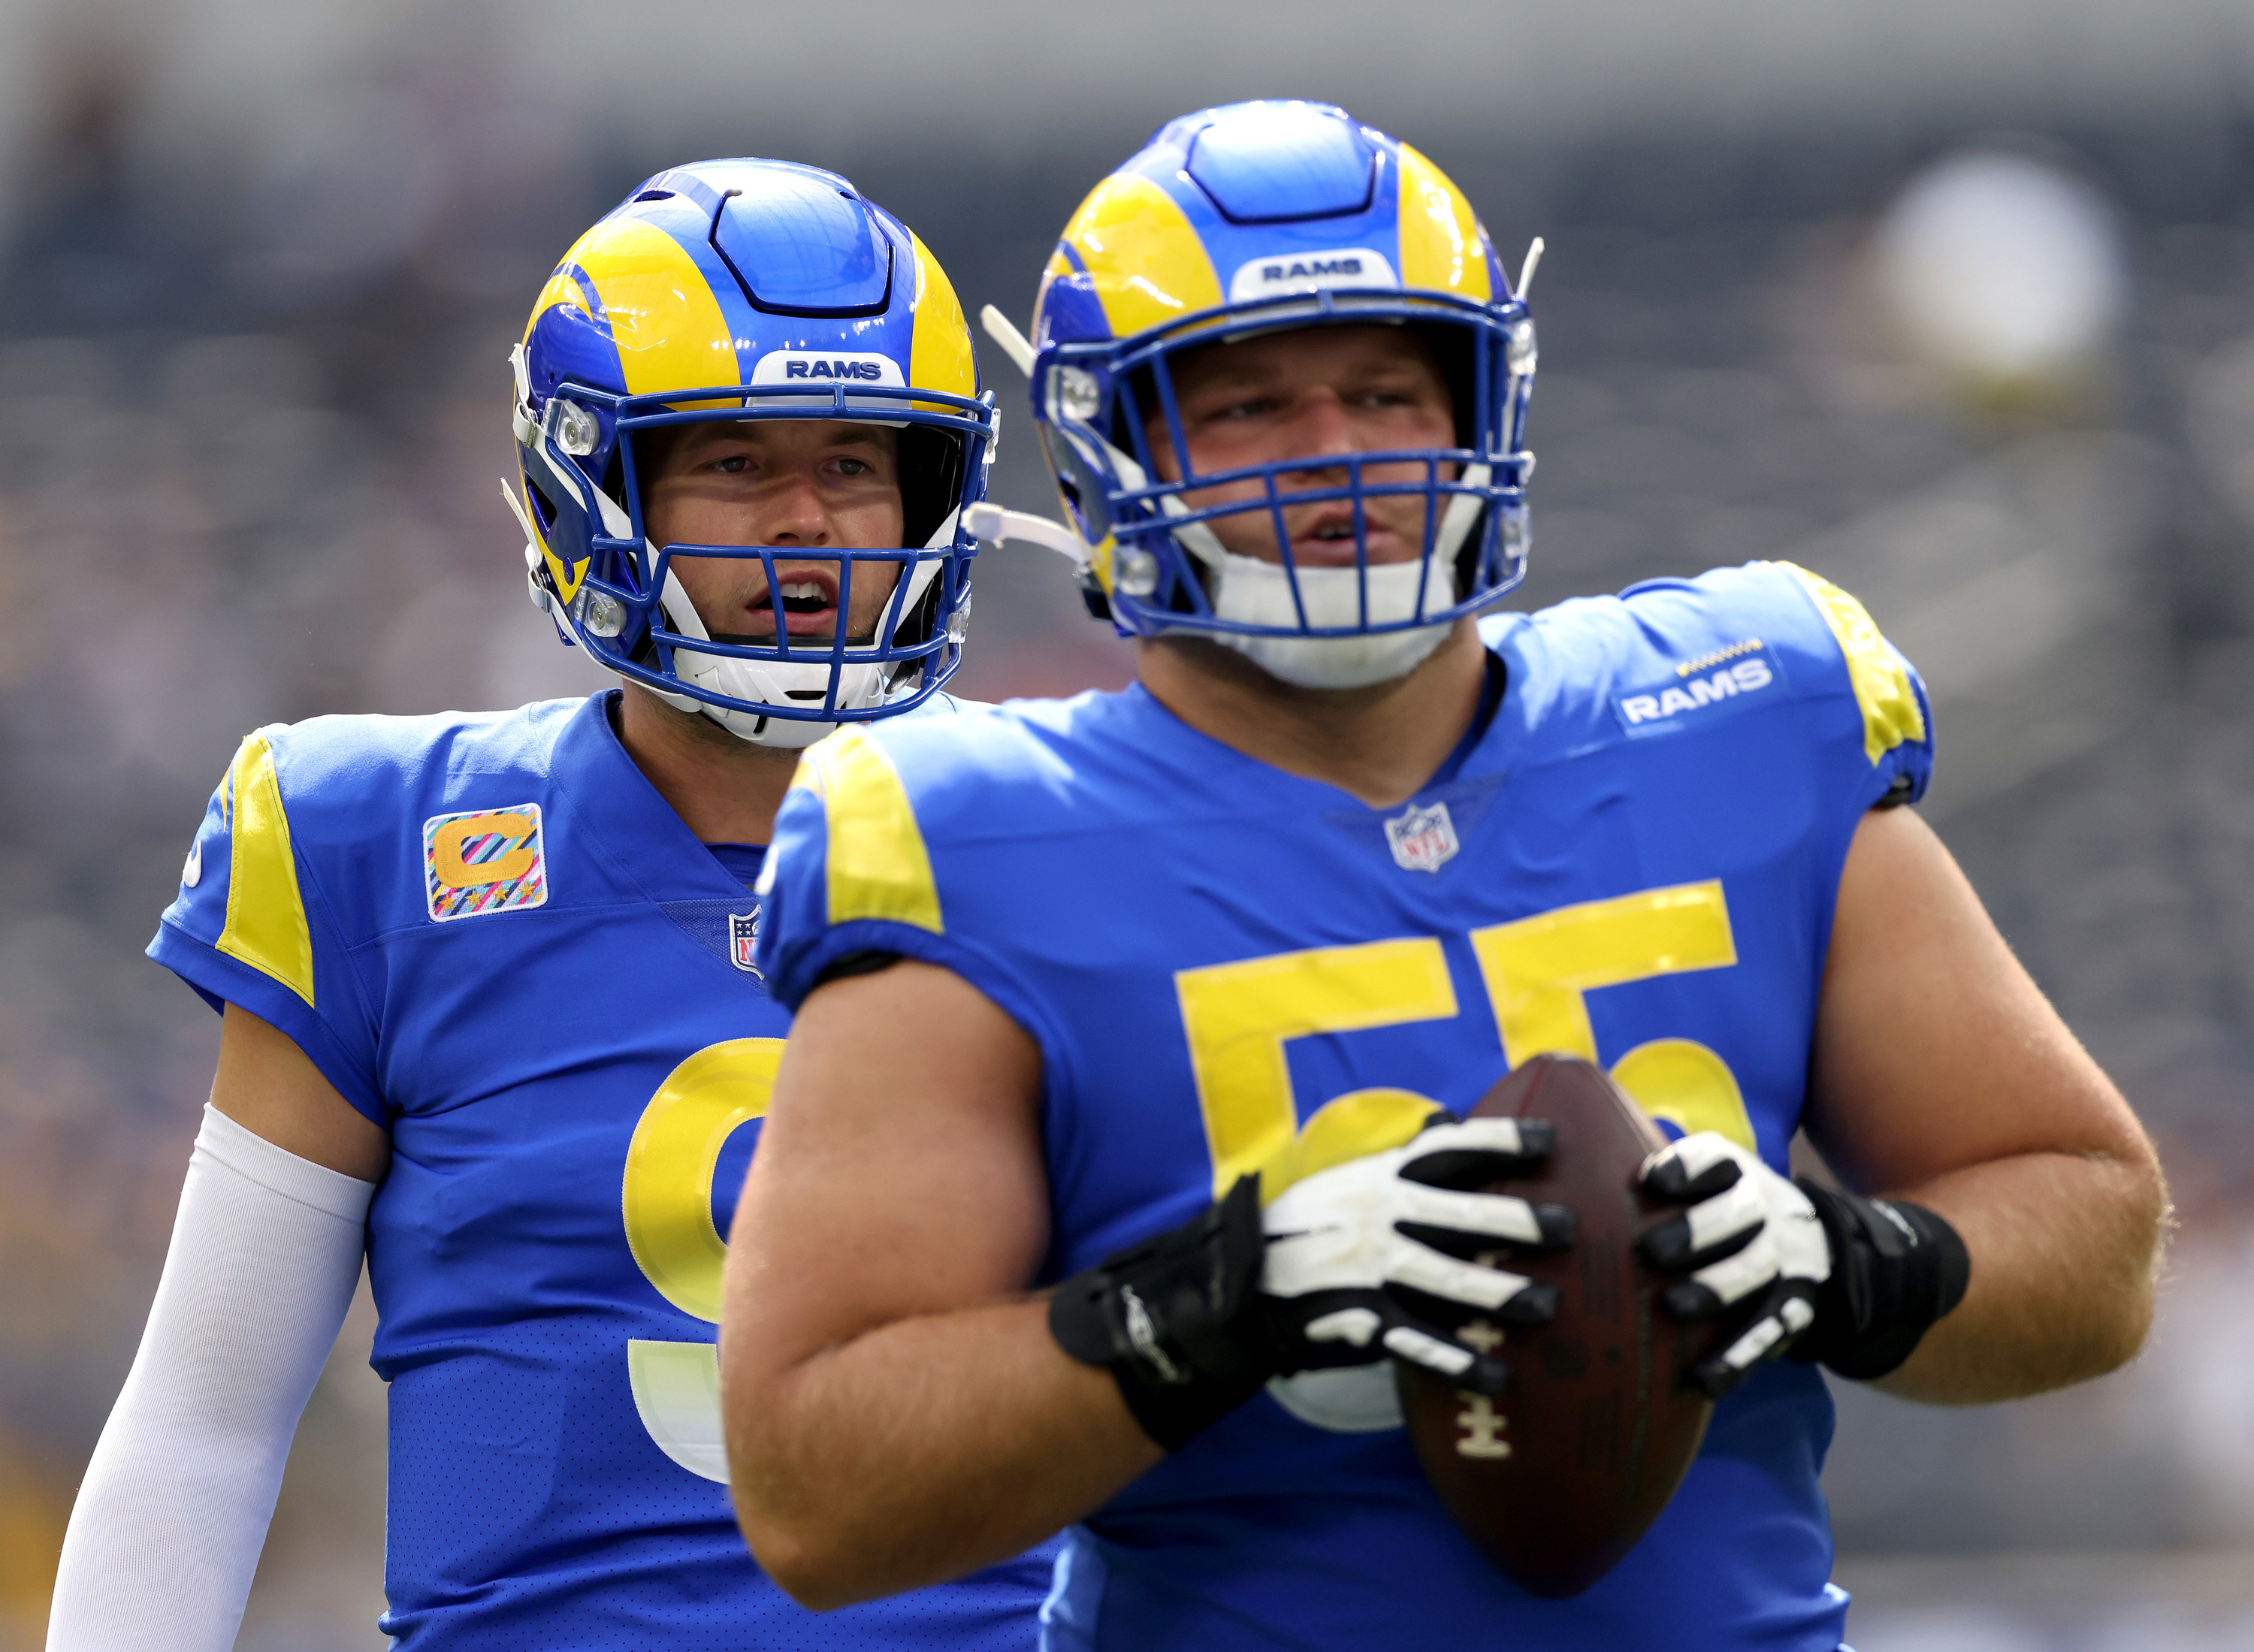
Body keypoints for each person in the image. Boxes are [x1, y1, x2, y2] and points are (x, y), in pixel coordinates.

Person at [720, 102, 2171, 1651]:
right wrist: (1230, 1296)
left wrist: (1848, 1262)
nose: (1337, 455)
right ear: (1104, 457)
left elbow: (2093, 1230)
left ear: (1485, 403)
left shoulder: (1746, 714)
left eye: (1386, 390)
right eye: (1252, 407)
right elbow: (818, 1494)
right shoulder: (972, 835)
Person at [47, 159, 1054, 1650]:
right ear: (596, 484)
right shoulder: (379, 845)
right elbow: (205, 1421)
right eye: (732, 461)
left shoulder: (1080, 840)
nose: (806, 522)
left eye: (854, 463)